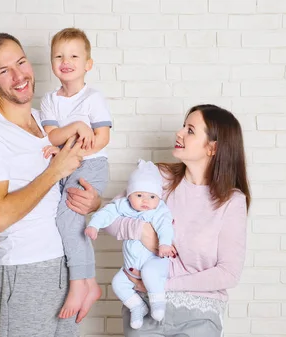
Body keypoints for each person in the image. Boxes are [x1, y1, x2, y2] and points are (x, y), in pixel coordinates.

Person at [0, 33, 101, 337]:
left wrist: (93, 203)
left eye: (21, 62)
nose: (18, 75)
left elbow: (68, 186)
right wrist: (54, 171)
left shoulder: (45, 122)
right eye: (4, 71)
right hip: (25, 270)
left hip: (65, 266)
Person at [103, 104, 251, 336]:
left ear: (213, 147)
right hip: (145, 309)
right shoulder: (158, 177)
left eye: (190, 130)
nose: (179, 133)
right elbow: (110, 216)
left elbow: (228, 273)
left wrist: (163, 285)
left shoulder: (231, 201)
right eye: (183, 126)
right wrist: (140, 229)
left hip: (199, 315)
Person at [39, 27, 111, 320]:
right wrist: (77, 131)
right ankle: (89, 283)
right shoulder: (49, 100)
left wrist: (73, 153)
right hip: (65, 167)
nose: (65, 61)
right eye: (58, 55)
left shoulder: (93, 98)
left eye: (73, 55)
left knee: (68, 221)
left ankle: (79, 284)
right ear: (52, 62)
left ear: (87, 64)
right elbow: (51, 136)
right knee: (66, 222)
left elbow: (102, 138)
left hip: (90, 166)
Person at [86, 159, 175, 329]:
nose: (145, 201)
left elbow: (166, 227)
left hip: (154, 261)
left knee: (150, 273)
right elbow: (107, 212)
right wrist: (94, 225)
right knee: (117, 283)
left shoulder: (158, 210)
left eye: (152, 196)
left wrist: (164, 244)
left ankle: (158, 303)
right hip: (130, 267)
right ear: (129, 194)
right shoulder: (124, 205)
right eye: (139, 195)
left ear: (158, 197)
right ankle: (137, 307)